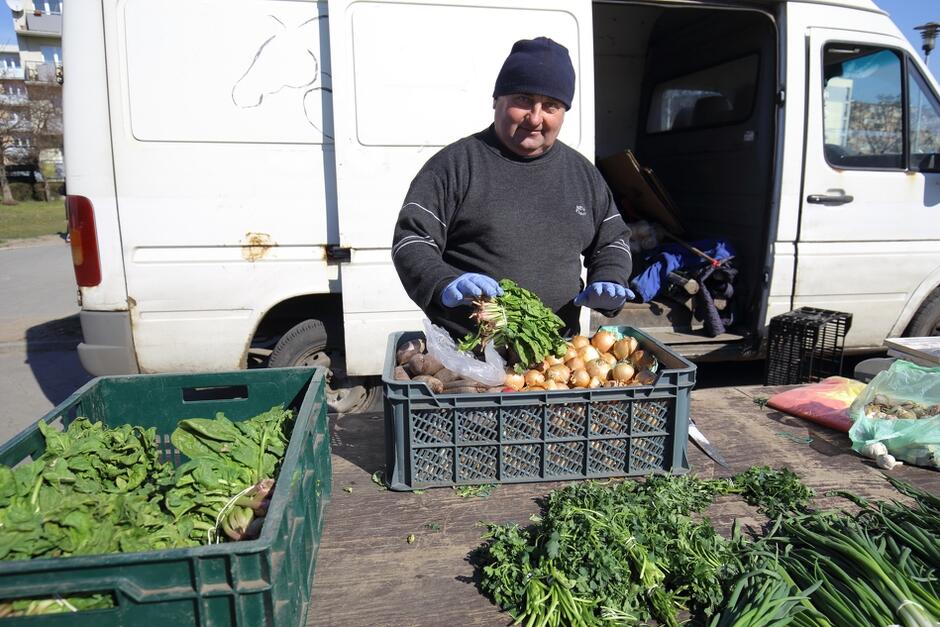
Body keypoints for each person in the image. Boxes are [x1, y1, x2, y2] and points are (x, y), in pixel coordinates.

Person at [392, 36, 634, 343]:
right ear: (496, 100)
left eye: (551, 106)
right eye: (522, 100)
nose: (535, 118)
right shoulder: (454, 165)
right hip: (469, 356)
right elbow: (412, 240)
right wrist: (443, 282)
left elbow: (612, 240)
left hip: (559, 360)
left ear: (563, 112)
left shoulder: (582, 174)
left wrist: (610, 277)